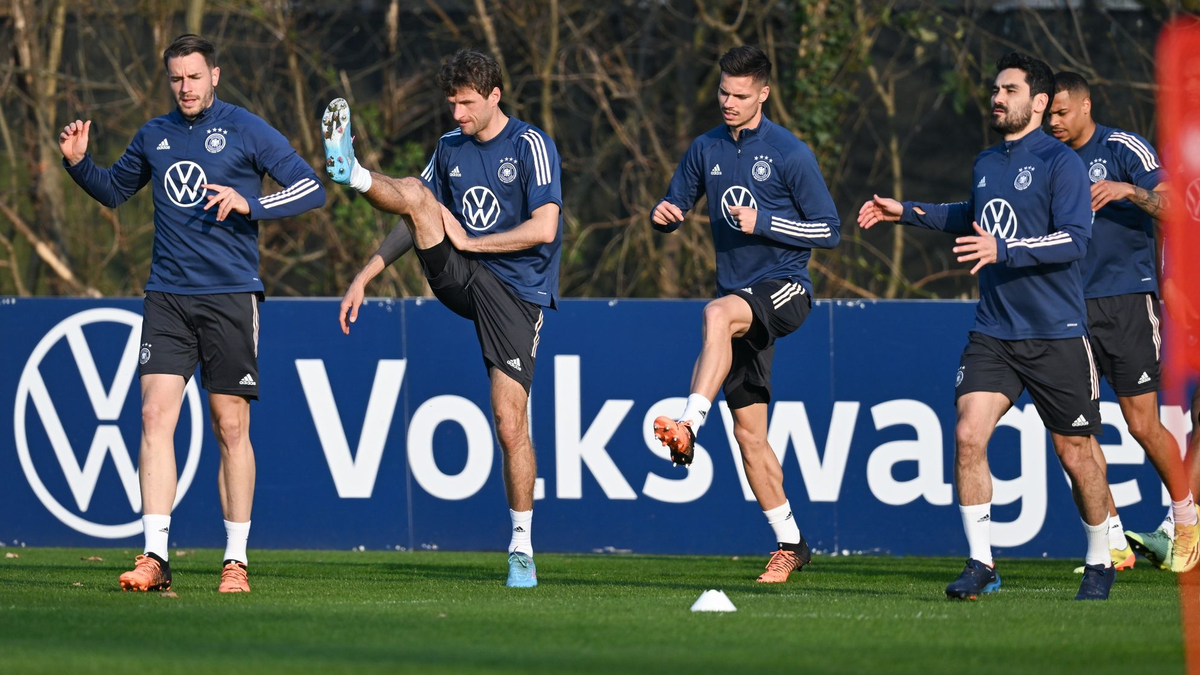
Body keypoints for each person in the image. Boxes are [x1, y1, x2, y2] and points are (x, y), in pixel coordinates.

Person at [60, 34, 326, 593]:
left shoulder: (248, 128)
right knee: (155, 416)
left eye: (194, 77)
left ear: (215, 76)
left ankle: (236, 560)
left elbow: (310, 188)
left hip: (231, 296)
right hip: (167, 297)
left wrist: (249, 202)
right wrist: (80, 165)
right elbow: (113, 191)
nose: (185, 87)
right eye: (176, 78)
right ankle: (154, 555)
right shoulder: (153, 135)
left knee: (231, 426)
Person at [858, 52, 1115, 600]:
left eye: (1010, 90)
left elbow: (1074, 239)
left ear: (1039, 102)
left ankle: (1099, 561)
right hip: (994, 331)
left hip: (1057, 332)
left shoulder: (1061, 164)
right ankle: (981, 563)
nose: (997, 98)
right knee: (968, 434)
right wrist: (906, 211)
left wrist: (1006, 248)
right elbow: (969, 214)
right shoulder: (986, 161)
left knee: (1075, 453)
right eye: (995, 89)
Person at [327, 49, 561, 588]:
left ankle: (521, 549)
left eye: (467, 104)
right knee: (414, 190)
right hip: (460, 274)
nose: (457, 114)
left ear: (495, 95)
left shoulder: (531, 145)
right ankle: (354, 172)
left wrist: (475, 240)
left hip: (517, 295)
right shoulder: (449, 148)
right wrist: (366, 274)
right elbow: (417, 212)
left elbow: (545, 227)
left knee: (509, 423)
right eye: (452, 103)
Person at [649, 46, 840, 583]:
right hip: (740, 306)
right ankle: (791, 542)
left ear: (763, 93)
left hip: (784, 290)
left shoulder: (789, 153)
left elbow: (829, 230)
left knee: (715, 314)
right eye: (722, 93)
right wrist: (665, 216)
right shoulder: (705, 147)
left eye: (739, 95)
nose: (728, 103)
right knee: (750, 438)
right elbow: (675, 204)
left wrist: (765, 223)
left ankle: (689, 422)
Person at [1048, 71, 1198, 573]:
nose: (1055, 123)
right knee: (1072, 434)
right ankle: (1112, 542)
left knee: (1141, 424)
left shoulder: (1124, 147)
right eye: (1049, 114)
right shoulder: (1046, 159)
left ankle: (1185, 520)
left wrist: (1128, 191)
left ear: (1087, 105)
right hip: (1067, 308)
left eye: (1063, 113)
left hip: (1126, 302)